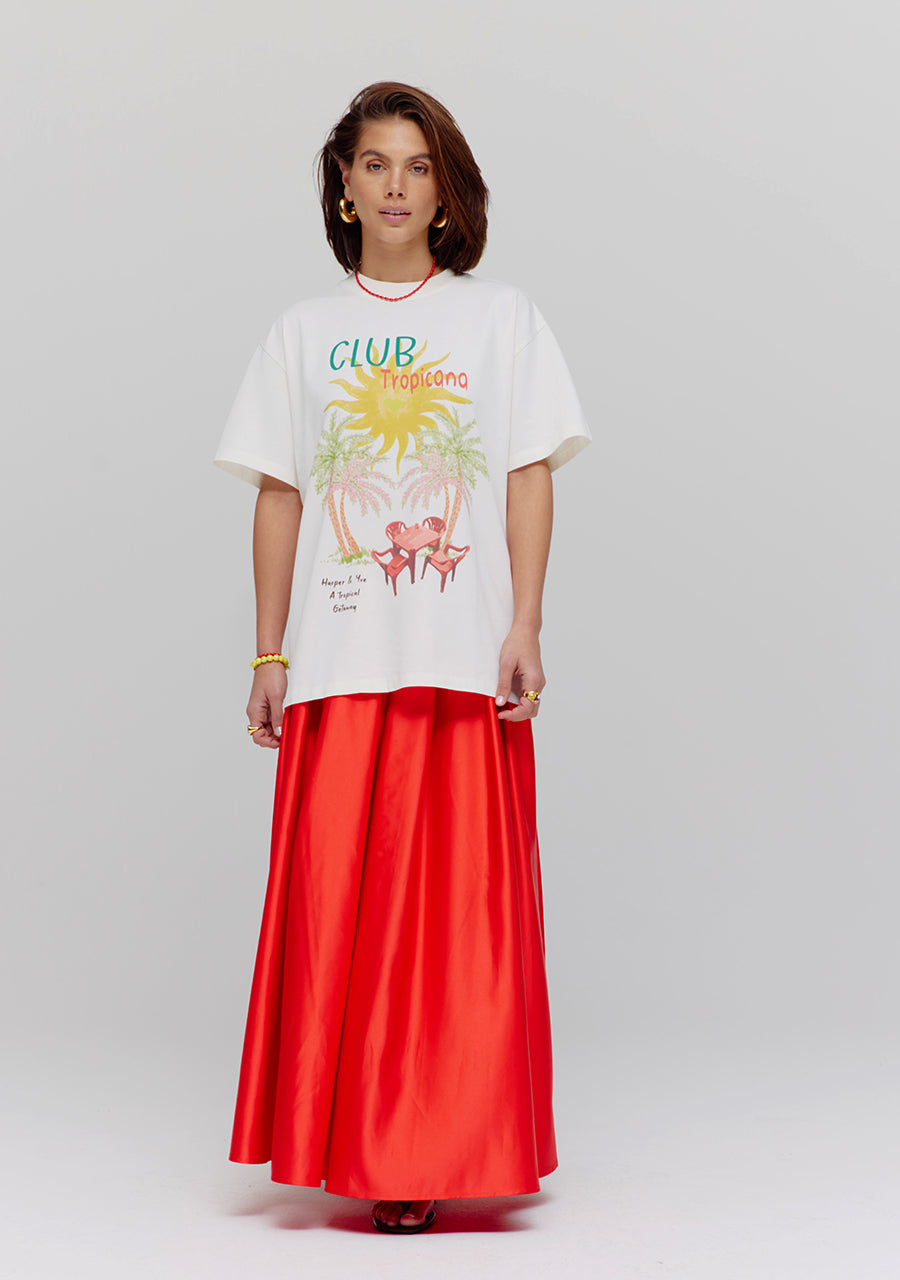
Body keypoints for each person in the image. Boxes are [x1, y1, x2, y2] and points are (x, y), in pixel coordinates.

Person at [214, 81, 591, 1235]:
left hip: (460, 662)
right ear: (345, 184)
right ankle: (357, 1142)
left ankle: (437, 1146)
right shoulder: (301, 333)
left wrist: (525, 623)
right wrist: (269, 649)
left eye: (417, 166)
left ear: (445, 191)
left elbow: (526, 474)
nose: (395, 185)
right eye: (375, 164)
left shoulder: (503, 321)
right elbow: (281, 493)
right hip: (339, 663)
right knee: (343, 912)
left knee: (456, 924)